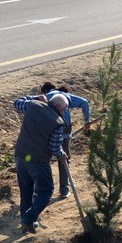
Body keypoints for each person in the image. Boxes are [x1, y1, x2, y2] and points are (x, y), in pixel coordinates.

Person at [12, 92, 69, 234]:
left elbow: (17, 102)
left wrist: (36, 97)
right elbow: (54, 147)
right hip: (38, 160)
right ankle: (29, 218)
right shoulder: (57, 123)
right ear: (57, 106)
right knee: (46, 190)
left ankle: (26, 222)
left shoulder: (32, 105)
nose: (65, 112)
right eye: (64, 109)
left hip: (21, 155)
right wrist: (61, 155)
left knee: (26, 191)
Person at [40, 82, 92, 198]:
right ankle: (64, 189)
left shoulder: (44, 97)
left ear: (44, 91)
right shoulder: (65, 96)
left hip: (48, 128)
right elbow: (85, 103)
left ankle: (41, 190)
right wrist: (87, 121)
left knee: (43, 158)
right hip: (65, 128)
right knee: (63, 157)